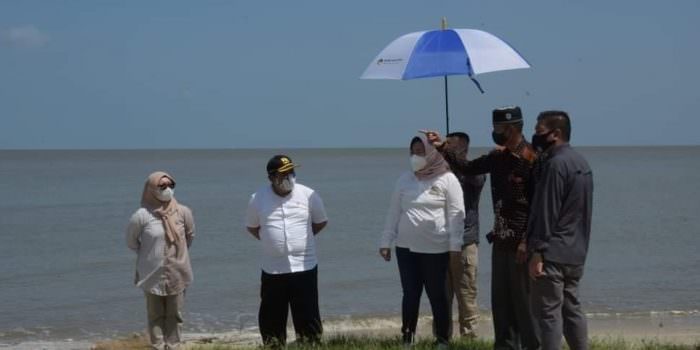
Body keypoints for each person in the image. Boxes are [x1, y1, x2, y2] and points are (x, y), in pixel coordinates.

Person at [426, 106, 540, 350]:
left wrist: (527, 241)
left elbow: (538, 205)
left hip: (522, 243)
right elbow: (467, 167)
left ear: (512, 129)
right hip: (500, 241)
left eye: (498, 129)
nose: (494, 132)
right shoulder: (497, 158)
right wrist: (441, 147)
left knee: (524, 303)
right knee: (502, 302)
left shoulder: (532, 159)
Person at [379, 134, 465, 348]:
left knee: (438, 295)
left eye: (420, 152)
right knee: (410, 294)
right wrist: (385, 241)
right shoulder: (404, 179)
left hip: (436, 249)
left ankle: (442, 340)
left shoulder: (447, 178)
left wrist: (455, 246)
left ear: (431, 153)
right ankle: (407, 337)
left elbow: (457, 212)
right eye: (412, 152)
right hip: (406, 249)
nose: (416, 156)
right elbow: (393, 211)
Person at [245, 155, 328, 348]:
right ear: (271, 177)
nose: (289, 177)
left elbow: (320, 222)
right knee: (271, 320)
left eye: (292, 172)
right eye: (284, 174)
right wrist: (273, 243)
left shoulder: (309, 195)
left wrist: (300, 241)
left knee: (308, 318)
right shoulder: (257, 198)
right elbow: (252, 227)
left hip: (305, 266)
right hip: (273, 269)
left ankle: (310, 346)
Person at [527, 111, 593, 350]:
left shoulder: (556, 164)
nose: (535, 135)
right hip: (576, 251)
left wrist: (537, 252)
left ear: (555, 133)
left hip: (552, 252)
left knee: (548, 314)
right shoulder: (581, 162)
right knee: (571, 308)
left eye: (538, 131)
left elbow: (547, 211)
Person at [127, 171, 195, 350]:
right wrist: (151, 255)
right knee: (155, 315)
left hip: (178, 272)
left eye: (170, 185)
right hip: (152, 274)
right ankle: (157, 346)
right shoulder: (142, 215)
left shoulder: (183, 211)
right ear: (151, 189)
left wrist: (177, 255)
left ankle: (173, 346)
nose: (167, 189)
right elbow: (132, 242)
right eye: (162, 186)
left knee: (175, 314)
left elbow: (189, 236)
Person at [443, 132, 486, 339]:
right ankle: (442, 338)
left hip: (465, 242)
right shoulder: (441, 172)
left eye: (449, 146)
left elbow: (473, 178)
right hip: (440, 243)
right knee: (441, 298)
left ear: (462, 149)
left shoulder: (474, 172)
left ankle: (470, 339)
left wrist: (453, 163)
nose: (444, 150)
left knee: (466, 296)